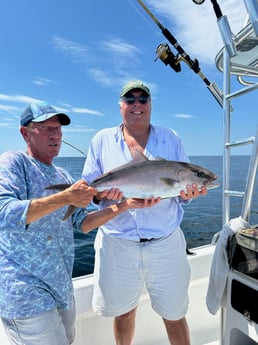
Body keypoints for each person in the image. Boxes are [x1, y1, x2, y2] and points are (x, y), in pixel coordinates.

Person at [0, 101, 159, 345]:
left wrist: (126, 205)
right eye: (45, 128)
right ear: (25, 133)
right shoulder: (13, 162)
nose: (55, 134)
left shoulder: (63, 175)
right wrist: (66, 197)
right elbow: (3, 214)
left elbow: (82, 223)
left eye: (58, 129)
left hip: (61, 289)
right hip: (25, 294)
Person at [82, 80, 208, 345]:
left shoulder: (171, 138)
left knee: (174, 313)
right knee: (124, 313)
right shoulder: (101, 140)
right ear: (121, 106)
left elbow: (179, 196)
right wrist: (101, 195)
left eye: (143, 99)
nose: (136, 104)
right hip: (118, 244)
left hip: (165, 243)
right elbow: (91, 193)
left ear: (150, 105)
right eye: (130, 99)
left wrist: (187, 194)